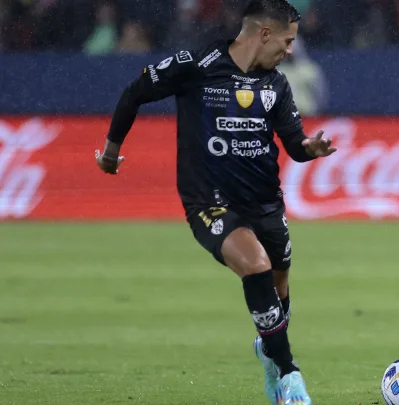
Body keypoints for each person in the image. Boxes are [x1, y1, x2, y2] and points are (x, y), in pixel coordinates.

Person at [94, 1, 336, 404]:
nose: (290, 50)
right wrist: (109, 151)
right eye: (288, 40)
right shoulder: (197, 65)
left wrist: (311, 147)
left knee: (279, 288)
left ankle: (270, 353)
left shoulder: (276, 83)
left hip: (265, 203)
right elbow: (135, 91)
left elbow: (294, 145)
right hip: (209, 201)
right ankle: (290, 376)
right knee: (255, 265)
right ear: (264, 34)